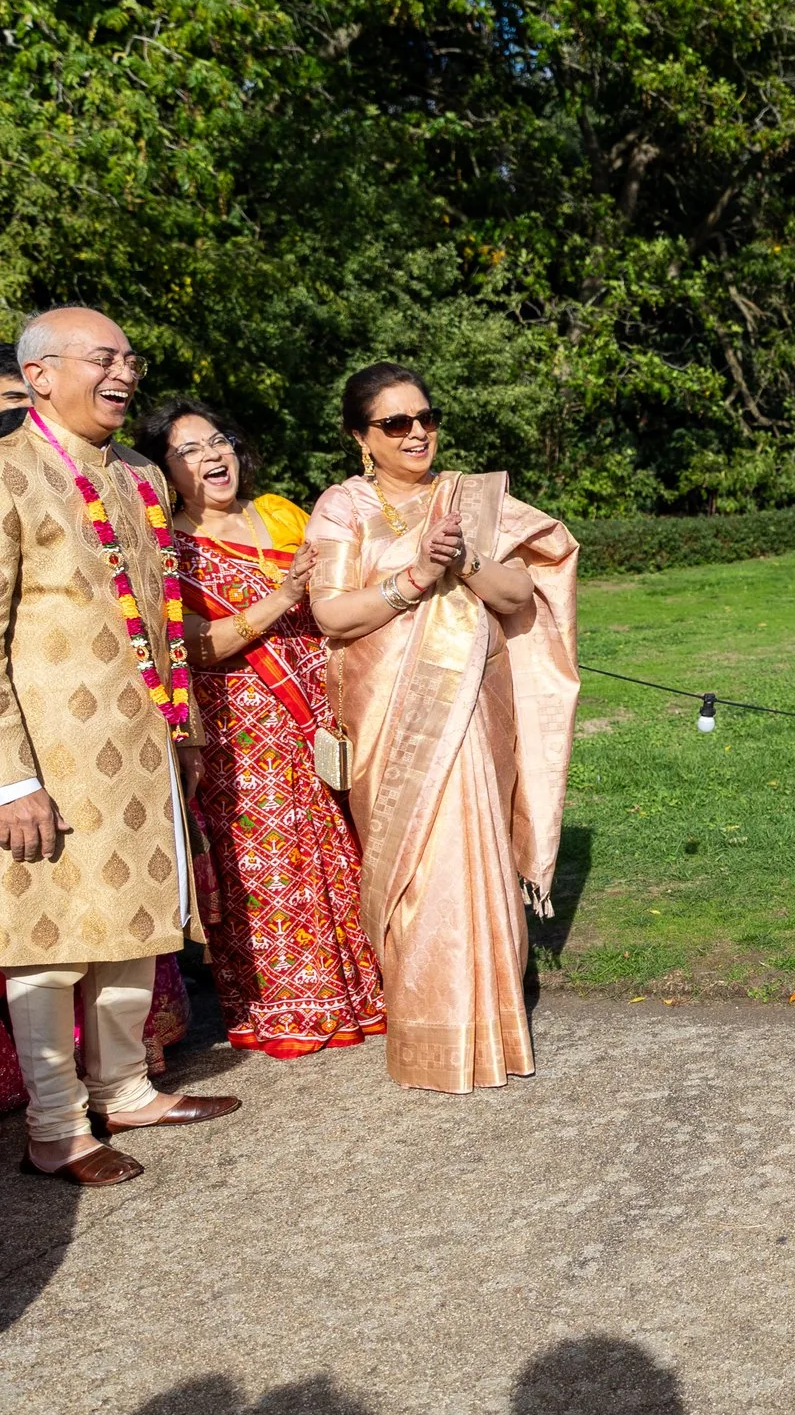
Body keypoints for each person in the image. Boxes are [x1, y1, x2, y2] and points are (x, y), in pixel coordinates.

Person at [3, 307, 239, 1187]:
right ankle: (56, 1127)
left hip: (144, 743)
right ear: (40, 375)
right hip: (46, 756)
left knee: (133, 922)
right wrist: (10, 778)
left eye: (129, 357)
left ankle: (127, 1088)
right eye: (103, 358)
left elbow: (163, 617)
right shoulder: (7, 474)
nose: (125, 371)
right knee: (51, 937)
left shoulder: (139, 471)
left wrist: (184, 729)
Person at [305, 364, 579, 1094]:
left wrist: (467, 560)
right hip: (388, 715)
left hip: (471, 706)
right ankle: (429, 1035)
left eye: (425, 416)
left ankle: (494, 1026)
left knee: (477, 850)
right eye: (395, 423)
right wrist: (416, 578)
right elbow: (332, 612)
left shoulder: (472, 496)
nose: (417, 432)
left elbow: (523, 592)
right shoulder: (343, 507)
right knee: (419, 864)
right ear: (362, 437)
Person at [133, 401, 381, 1058]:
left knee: (338, 845)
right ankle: (286, 1006)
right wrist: (280, 595)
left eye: (219, 441)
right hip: (239, 724)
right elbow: (193, 644)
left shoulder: (280, 513)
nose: (213, 456)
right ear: (164, 470)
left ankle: (361, 990)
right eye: (189, 450)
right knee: (266, 864)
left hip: (315, 705)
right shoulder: (169, 546)